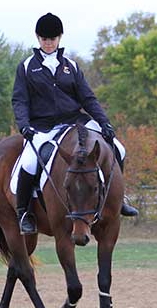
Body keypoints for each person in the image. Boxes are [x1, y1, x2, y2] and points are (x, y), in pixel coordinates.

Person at [12, 12, 138, 235]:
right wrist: (24, 125)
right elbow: (20, 100)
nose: (48, 43)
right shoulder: (27, 67)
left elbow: (88, 98)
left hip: (75, 121)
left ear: (59, 38)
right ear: (38, 38)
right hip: (43, 127)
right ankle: (24, 213)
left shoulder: (71, 65)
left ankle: (119, 199)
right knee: (30, 162)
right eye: (44, 39)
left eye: (52, 39)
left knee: (118, 147)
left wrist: (104, 123)